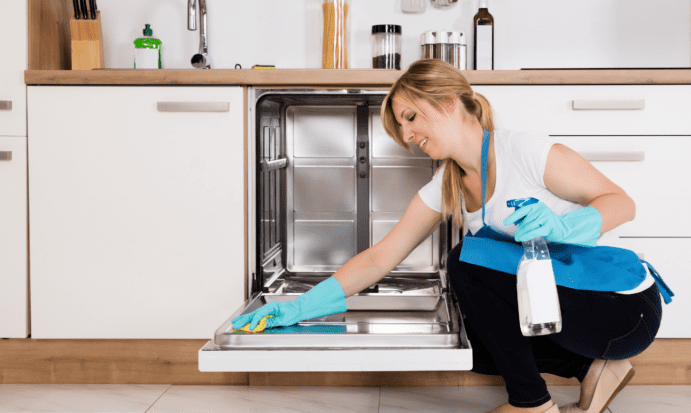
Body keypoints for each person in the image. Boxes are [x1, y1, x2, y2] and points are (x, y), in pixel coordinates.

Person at [232, 59, 667, 413]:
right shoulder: (447, 186)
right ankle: (592, 368)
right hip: (575, 320)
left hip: (622, 307)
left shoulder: (524, 150)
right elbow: (380, 258)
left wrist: (566, 227)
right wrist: (298, 308)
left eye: (409, 118)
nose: (407, 136)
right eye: (400, 129)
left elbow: (620, 202)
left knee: (465, 259)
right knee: (471, 339)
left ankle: (532, 406)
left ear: (447, 101)